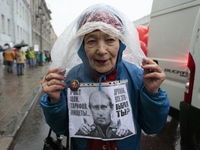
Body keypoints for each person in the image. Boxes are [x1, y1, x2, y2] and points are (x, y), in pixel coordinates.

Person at [40, 4, 170, 150]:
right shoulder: (72, 77)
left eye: (110, 40)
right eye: (91, 41)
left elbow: (153, 127)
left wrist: (153, 94)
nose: (101, 50)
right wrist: (54, 101)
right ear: (82, 47)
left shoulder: (137, 76)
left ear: (121, 44)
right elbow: (61, 129)